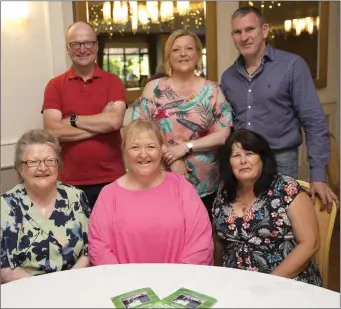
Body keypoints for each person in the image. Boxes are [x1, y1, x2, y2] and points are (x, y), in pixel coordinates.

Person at [220, 6, 338, 212]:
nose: (244, 37)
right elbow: (227, 126)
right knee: (250, 224)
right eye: (238, 32)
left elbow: (314, 120)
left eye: (250, 29)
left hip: (281, 160)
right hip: (243, 164)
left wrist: (318, 175)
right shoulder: (228, 77)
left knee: (283, 225)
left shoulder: (292, 65)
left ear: (264, 30)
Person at [132, 30, 233, 219]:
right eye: (176, 49)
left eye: (189, 48)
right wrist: (172, 156)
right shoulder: (153, 89)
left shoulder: (213, 90)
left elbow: (223, 134)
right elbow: (139, 132)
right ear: (168, 56)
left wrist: (185, 148)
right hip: (161, 178)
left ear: (197, 54)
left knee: (203, 240)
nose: (183, 54)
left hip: (205, 186)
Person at [88, 119, 213, 265]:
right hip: (124, 284)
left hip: (177, 284)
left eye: (151, 147)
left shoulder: (182, 188)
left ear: (161, 149)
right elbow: (99, 247)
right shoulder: (108, 195)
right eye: (135, 147)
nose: (143, 154)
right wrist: (123, 282)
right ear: (124, 150)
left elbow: (200, 242)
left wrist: (177, 281)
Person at [212, 129, 322, 286]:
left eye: (249, 153)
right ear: (229, 163)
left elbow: (310, 244)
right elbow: (218, 243)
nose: (243, 160)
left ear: (263, 158)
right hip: (236, 286)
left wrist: (268, 283)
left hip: (287, 284)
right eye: (236, 156)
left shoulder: (286, 188)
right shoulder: (223, 194)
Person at [42, 21, 127, 209]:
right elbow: (52, 131)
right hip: (68, 182)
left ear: (96, 46)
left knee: (113, 237)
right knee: (75, 238)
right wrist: (100, 125)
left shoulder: (113, 82)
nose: (82, 49)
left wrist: (73, 120)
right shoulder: (55, 86)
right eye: (75, 44)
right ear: (68, 49)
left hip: (112, 180)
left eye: (88, 43)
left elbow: (114, 121)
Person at [0, 130, 90, 283]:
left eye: (49, 160)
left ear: (58, 165)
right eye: (33, 162)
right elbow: (7, 270)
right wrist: (47, 288)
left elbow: (88, 251)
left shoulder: (76, 196)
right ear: (20, 169)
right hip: (26, 290)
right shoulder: (6, 205)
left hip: (75, 283)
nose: (43, 168)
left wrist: (69, 282)